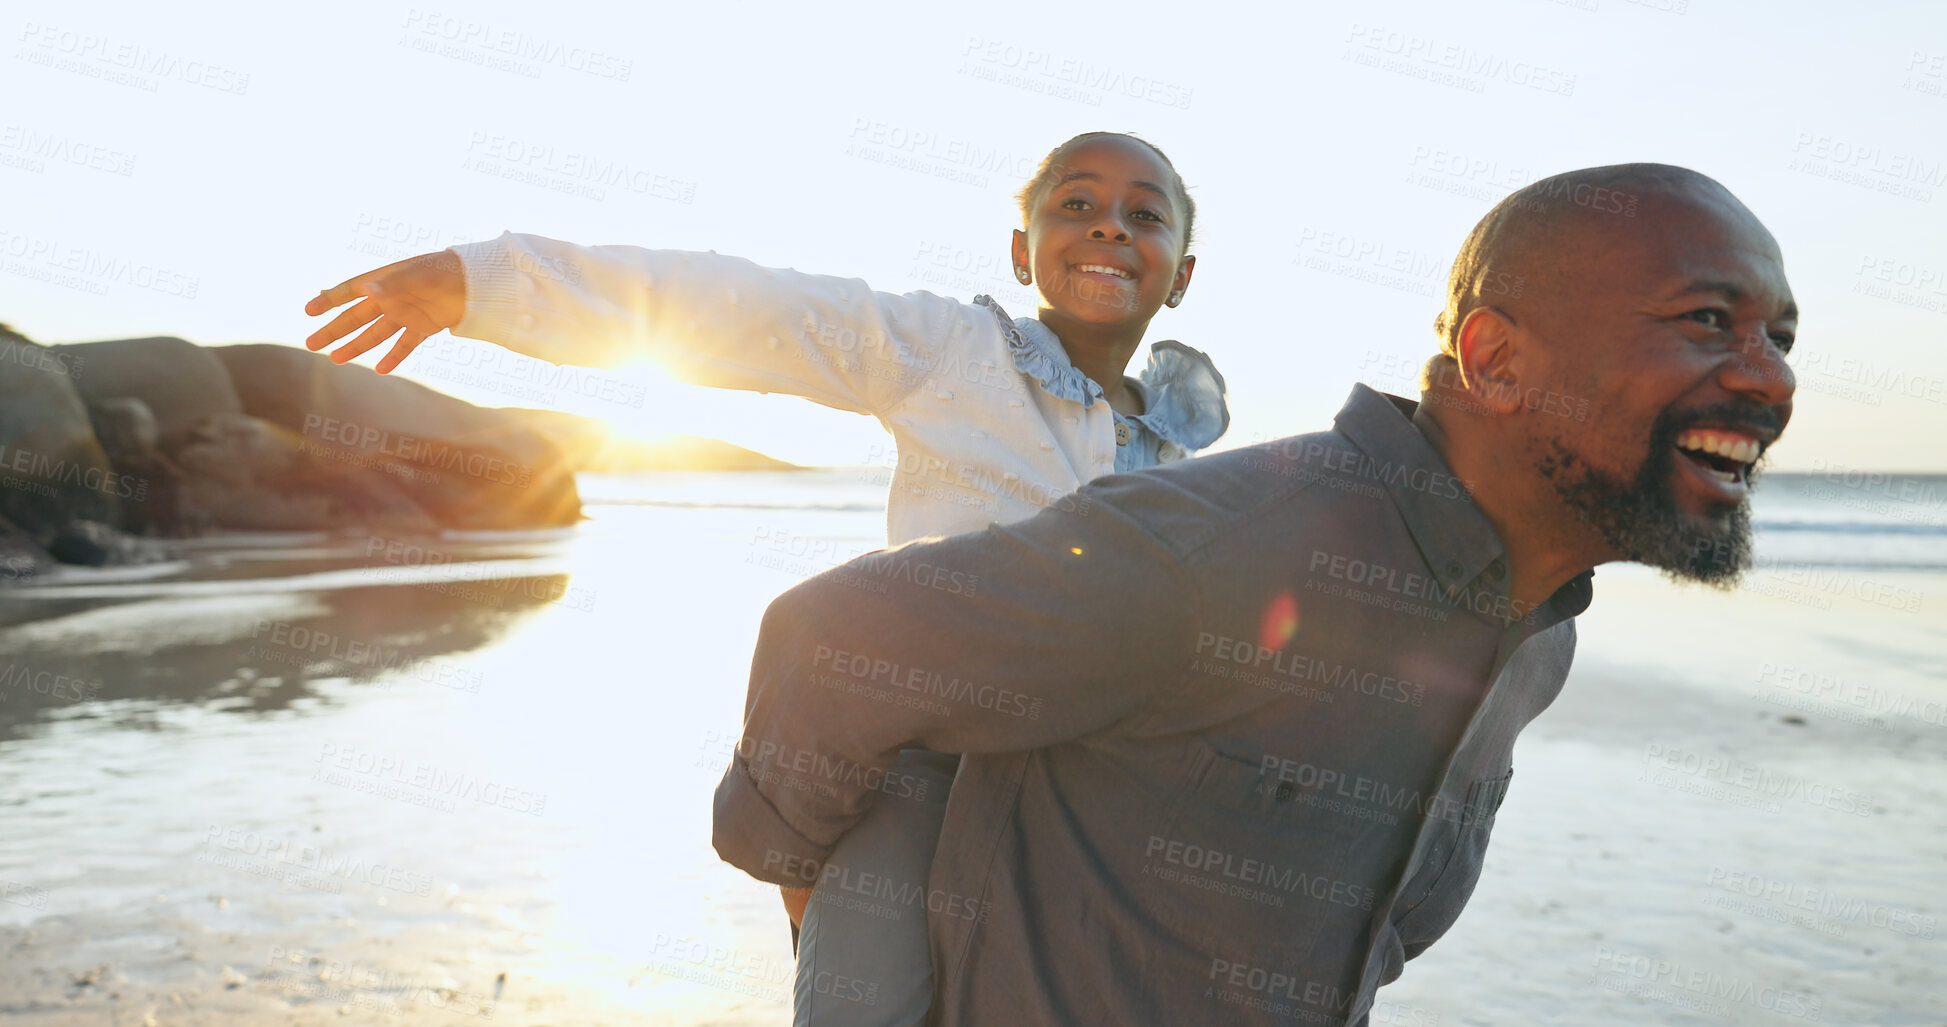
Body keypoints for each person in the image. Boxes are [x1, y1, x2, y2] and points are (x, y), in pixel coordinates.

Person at [713, 162, 1797, 1026]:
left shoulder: (1537, 635)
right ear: (1494, 357)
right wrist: (836, 915)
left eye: (1778, 336)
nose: (1769, 376)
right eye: (1708, 320)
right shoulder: (1224, 548)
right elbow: (828, 643)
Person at [299, 131, 1228, 1026]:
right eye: (1078, 204)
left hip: (1096, 806)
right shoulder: (953, 352)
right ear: (1023, 252)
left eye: (1145, 216)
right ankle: (799, 868)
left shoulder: (1200, 471)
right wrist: (486, 281)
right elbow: (745, 308)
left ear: (1179, 272)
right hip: (924, 777)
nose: (1111, 226)